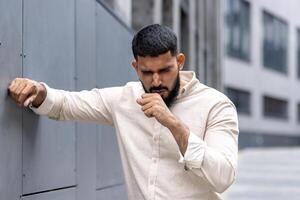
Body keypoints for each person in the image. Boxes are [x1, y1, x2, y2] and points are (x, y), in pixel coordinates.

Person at [8, 24, 239, 200]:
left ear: (179, 62)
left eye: (165, 70)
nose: (156, 81)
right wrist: (37, 90)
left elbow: (223, 177)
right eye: (147, 72)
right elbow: (66, 103)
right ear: (136, 67)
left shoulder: (216, 105)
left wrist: (172, 123)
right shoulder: (125, 99)